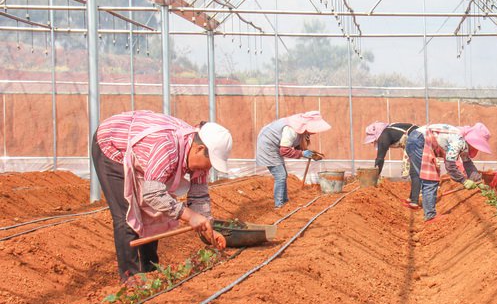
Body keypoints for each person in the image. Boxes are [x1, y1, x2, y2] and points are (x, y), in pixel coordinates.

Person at [92, 110, 232, 282]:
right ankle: (131, 277)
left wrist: (208, 229)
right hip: (112, 145)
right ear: (199, 149)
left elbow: (199, 195)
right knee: (127, 213)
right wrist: (190, 216)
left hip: (143, 150)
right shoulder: (168, 147)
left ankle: (150, 270)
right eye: (210, 163)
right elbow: (153, 194)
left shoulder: (199, 161)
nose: (207, 169)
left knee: (153, 212)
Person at [406, 123, 491, 221]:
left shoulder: (463, 142)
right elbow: (450, 166)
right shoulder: (458, 141)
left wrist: (478, 181)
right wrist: (464, 181)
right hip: (419, 141)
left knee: (431, 178)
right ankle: (430, 216)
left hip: (418, 139)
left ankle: (429, 213)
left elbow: (467, 163)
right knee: (431, 179)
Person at [256, 111, 330, 208]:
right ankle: (279, 205)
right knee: (280, 176)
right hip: (267, 147)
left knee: (283, 175)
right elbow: (285, 150)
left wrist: (308, 153)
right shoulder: (291, 129)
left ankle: (284, 201)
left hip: (273, 146)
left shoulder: (299, 127)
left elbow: (295, 144)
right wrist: (302, 153)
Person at [364, 121, 419, 199]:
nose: (372, 142)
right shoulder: (389, 131)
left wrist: (374, 178)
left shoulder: (384, 136)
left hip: (417, 137)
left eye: (372, 139)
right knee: (415, 170)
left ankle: (415, 199)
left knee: (415, 170)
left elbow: (380, 159)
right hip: (416, 136)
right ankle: (413, 198)